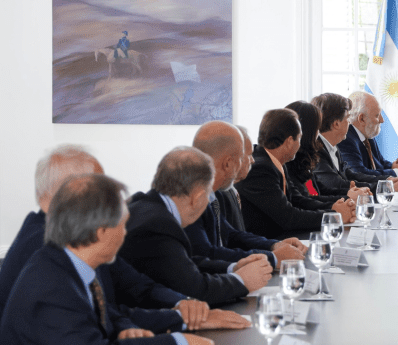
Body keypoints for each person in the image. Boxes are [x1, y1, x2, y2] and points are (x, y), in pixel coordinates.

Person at [0, 173, 214, 345]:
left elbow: (109, 315)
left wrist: (174, 320)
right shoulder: (50, 285)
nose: (125, 234)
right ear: (101, 231)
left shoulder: (66, 266)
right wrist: (180, 343)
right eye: (123, 226)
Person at [0, 145, 246, 332]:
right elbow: (96, 326)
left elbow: (135, 285)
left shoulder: (77, 233)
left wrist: (185, 306)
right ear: (69, 191)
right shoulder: (42, 246)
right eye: (99, 188)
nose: (107, 198)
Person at [119, 147, 273, 305]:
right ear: (198, 198)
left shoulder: (142, 203)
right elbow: (196, 290)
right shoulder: (159, 225)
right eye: (208, 195)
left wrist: (233, 267)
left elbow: (182, 262)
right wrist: (241, 281)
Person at [188, 121, 307, 268]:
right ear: (228, 163)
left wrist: (274, 245)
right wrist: (272, 258)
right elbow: (207, 254)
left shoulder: (214, 191)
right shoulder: (190, 198)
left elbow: (231, 234)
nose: (252, 160)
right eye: (246, 156)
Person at [235, 108, 356, 238]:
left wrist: (335, 207)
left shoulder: (276, 162)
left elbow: (298, 200)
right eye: (299, 138)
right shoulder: (261, 169)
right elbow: (288, 217)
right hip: (269, 242)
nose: (300, 144)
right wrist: (334, 216)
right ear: (289, 142)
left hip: (284, 236)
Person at [310, 92, 377, 194]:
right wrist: (380, 187)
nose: (349, 122)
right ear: (336, 124)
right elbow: (336, 184)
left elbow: (351, 175)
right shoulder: (316, 150)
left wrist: (386, 181)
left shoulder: (333, 147)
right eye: (347, 118)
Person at [338, 91, 398, 180]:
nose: (382, 120)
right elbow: (359, 174)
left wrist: (395, 165)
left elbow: (380, 163)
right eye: (377, 115)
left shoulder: (367, 133)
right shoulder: (346, 139)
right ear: (361, 119)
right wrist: (397, 171)